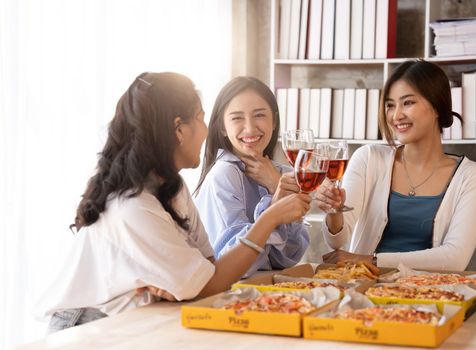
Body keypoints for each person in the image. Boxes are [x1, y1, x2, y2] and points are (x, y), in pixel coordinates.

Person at [37, 72, 311, 332]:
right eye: (201, 119)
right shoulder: (133, 206)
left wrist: (187, 286)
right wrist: (269, 218)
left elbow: (209, 267)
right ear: (179, 130)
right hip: (89, 325)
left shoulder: (172, 186)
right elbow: (209, 283)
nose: (206, 131)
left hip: (138, 315)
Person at [316, 59, 476, 271]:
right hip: (365, 289)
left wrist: (369, 260)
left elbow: (454, 258)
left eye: (408, 103)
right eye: (390, 105)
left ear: (436, 106)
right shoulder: (369, 159)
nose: (396, 116)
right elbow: (336, 242)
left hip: (431, 294)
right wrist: (334, 212)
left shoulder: (470, 176)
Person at [194, 77, 309, 276]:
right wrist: (273, 206)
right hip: (224, 295)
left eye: (259, 115)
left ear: (273, 121)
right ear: (222, 127)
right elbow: (239, 265)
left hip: (263, 291)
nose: (250, 128)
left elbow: (288, 258)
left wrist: (276, 186)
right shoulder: (225, 174)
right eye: (237, 118)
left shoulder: (279, 173)